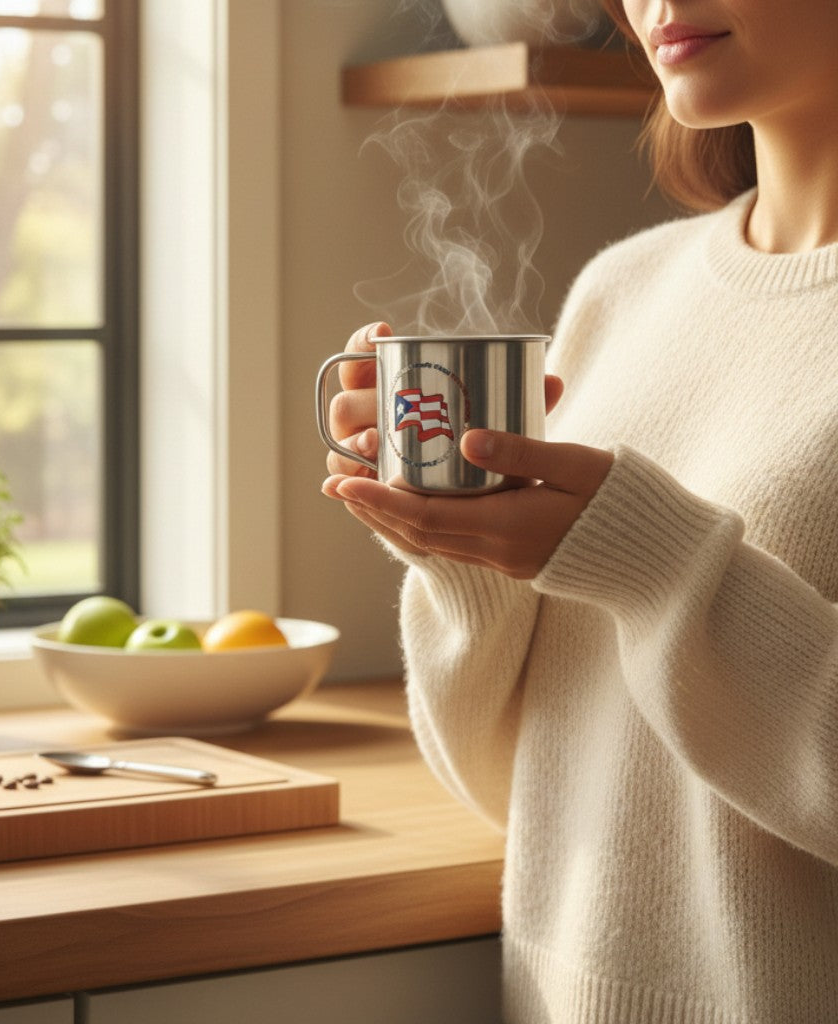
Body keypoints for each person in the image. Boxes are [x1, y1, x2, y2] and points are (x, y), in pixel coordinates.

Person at [321, 0, 838, 1020]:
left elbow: (646, 578)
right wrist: (466, 557)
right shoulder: (622, 291)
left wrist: (652, 565)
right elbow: (526, 786)